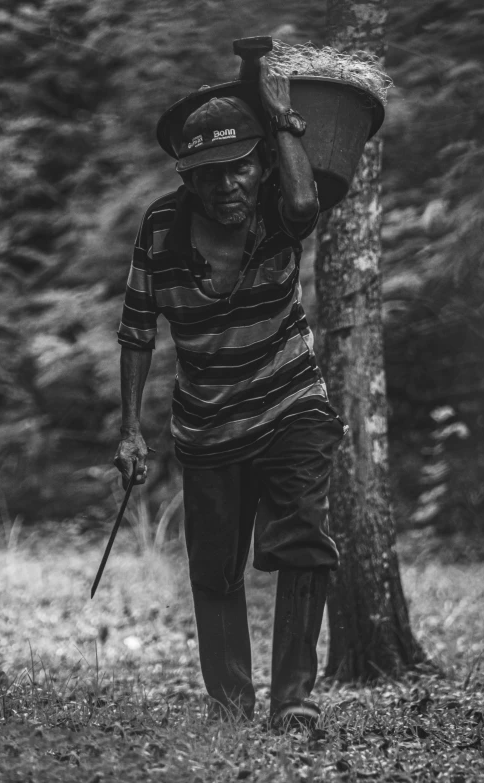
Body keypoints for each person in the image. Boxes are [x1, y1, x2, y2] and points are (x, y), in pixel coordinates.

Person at [114, 59, 345, 728]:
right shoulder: (160, 228)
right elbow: (136, 329)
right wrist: (130, 428)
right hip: (207, 422)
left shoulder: (282, 206)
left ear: (264, 165)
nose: (225, 184)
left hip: (290, 399)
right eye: (208, 173)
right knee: (215, 570)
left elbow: (306, 205)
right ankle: (231, 708)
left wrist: (277, 115)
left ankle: (294, 699)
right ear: (186, 178)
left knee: (303, 539)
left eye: (239, 166)